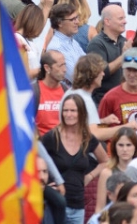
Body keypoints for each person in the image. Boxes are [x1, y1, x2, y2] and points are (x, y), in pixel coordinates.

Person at [42, 94, 108, 224]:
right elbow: (35, 159)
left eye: (73, 110)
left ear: (81, 113)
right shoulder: (52, 137)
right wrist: (45, 182)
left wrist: (89, 176)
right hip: (55, 203)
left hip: (78, 206)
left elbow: (105, 161)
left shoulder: (87, 137)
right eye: (65, 110)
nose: (68, 114)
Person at [99, 48, 137, 127]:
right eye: (128, 70)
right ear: (123, 68)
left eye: (136, 70)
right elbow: (100, 130)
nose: (131, 75)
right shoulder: (110, 97)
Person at [87, 5, 130, 104]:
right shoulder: (97, 43)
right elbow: (101, 72)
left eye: (124, 18)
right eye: (120, 18)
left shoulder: (124, 41)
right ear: (107, 21)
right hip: (104, 101)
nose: (125, 21)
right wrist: (123, 57)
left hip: (123, 100)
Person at [94, 129, 137, 214]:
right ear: (114, 147)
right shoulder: (107, 173)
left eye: (129, 145)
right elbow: (100, 208)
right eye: (121, 145)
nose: (125, 149)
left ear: (135, 147)